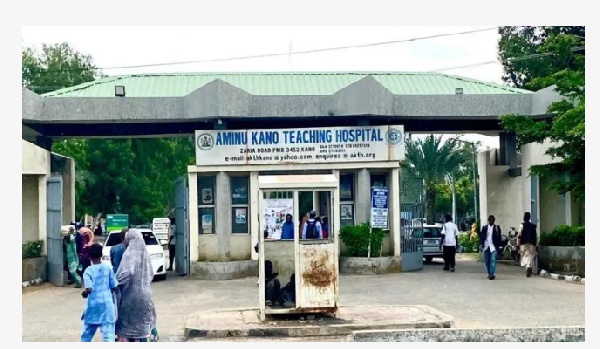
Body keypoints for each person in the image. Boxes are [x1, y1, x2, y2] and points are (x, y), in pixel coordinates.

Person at [115, 230, 157, 342]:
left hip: (131, 295)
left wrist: (115, 281)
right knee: (141, 327)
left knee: (126, 326)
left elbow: (127, 273)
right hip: (146, 295)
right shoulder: (146, 255)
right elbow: (151, 274)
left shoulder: (128, 254)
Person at [80, 244, 118, 342]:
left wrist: (85, 292)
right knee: (109, 336)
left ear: (89, 257)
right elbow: (114, 285)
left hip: (93, 306)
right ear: (101, 255)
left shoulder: (88, 271)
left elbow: (89, 289)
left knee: (87, 335)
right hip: (107, 307)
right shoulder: (108, 268)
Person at [479, 215, 502, 280]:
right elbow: (482, 237)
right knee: (487, 261)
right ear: (488, 220)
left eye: (492, 220)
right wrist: (481, 244)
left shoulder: (497, 227)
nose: (491, 221)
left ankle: (492, 273)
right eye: (490, 220)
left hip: (494, 246)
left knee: (493, 260)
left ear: (494, 221)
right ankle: (489, 273)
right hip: (486, 246)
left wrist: (500, 246)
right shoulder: (484, 227)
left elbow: (499, 237)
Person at [518, 212, 538, 277]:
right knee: (530, 256)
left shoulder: (522, 225)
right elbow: (536, 235)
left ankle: (528, 267)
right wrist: (536, 244)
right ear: (529, 218)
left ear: (524, 217)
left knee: (524, 256)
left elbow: (519, 235)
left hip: (523, 243)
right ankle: (529, 266)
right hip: (532, 243)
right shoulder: (534, 226)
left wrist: (518, 244)